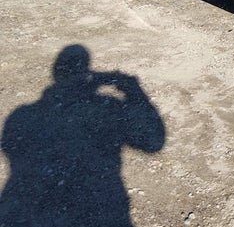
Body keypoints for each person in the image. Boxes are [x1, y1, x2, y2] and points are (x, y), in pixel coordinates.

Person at [0, 45, 164, 226]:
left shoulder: (21, 115)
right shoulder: (108, 107)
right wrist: (133, 89)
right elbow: (154, 142)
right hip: (103, 208)